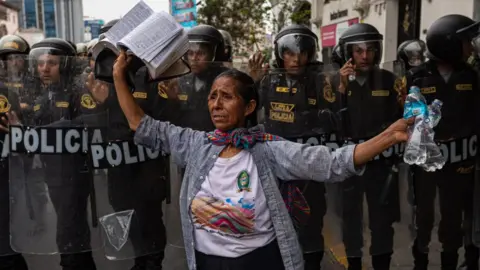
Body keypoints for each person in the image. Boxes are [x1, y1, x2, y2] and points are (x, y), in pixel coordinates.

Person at [111, 49, 411, 270]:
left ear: (250, 106)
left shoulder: (269, 150)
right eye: (213, 96)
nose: (216, 104)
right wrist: (117, 77)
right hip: (204, 262)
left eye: (227, 96)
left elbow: (332, 162)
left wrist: (389, 135)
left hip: (261, 261)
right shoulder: (196, 144)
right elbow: (142, 124)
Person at [400, 15, 480, 270]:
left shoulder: (471, 76)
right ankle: (420, 261)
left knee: (453, 217)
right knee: (423, 216)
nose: (470, 47)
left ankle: (450, 262)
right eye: (466, 41)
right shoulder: (417, 77)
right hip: (427, 163)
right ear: (449, 44)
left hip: (461, 161)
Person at [253, 24, 330, 270]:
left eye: (302, 53)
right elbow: (249, 112)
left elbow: (335, 120)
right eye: (289, 53)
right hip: (278, 167)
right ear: (280, 54)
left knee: (312, 223)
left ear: (310, 54)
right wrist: (252, 83)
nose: (296, 59)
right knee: (276, 223)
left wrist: (337, 94)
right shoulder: (269, 81)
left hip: (309, 165)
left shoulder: (322, 79)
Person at [25, 38, 100, 270]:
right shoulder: (41, 97)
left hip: (74, 173)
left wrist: (59, 127)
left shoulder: (77, 92)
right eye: (40, 63)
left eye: (52, 63)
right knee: (74, 230)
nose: (44, 68)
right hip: (53, 175)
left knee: (67, 232)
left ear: (65, 65)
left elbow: (92, 121)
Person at [335, 23, 404, 270]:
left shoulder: (389, 80)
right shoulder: (337, 82)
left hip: (382, 162)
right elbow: (332, 122)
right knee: (350, 217)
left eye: (370, 50)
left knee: (381, 220)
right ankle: (353, 263)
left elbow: (402, 117)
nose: (365, 56)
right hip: (349, 162)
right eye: (358, 51)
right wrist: (341, 89)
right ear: (348, 53)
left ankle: (381, 264)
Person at [0, 34, 29, 270]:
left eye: (17, 58)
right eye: (8, 59)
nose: (13, 63)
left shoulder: (32, 83)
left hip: (9, 165)